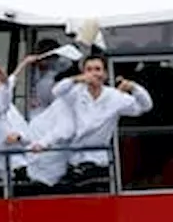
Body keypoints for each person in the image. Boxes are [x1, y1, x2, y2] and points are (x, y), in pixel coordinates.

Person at [51, 53, 154, 184]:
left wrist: (134, 87)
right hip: (72, 160)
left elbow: (146, 106)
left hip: (99, 162)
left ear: (105, 74)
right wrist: (77, 79)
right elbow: (56, 91)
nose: (93, 74)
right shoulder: (75, 93)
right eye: (89, 70)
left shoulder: (115, 97)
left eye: (98, 69)